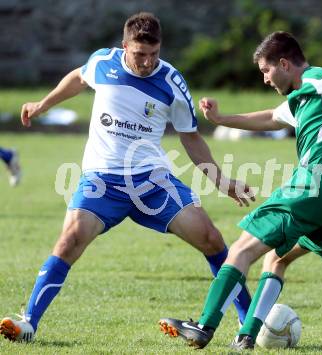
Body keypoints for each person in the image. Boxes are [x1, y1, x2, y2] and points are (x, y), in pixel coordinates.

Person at [0, 12, 254, 343]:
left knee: (211, 238)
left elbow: (190, 137)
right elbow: (77, 78)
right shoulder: (103, 63)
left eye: (154, 54)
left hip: (151, 182)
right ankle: (29, 322)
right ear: (124, 47)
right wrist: (43, 104)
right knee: (68, 241)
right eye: (139, 54)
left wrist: (221, 180)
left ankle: (248, 325)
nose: (147, 62)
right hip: (102, 181)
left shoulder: (172, 83)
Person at [159, 31, 322, 350]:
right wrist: (222, 118)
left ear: (284, 63)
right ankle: (247, 336)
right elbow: (270, 118)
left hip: (315, 185)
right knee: (276, 260)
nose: (265, 79)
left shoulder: (321, 81)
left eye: (266, 71)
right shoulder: (304, 96)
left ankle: (203, 325)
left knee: (240, 250)